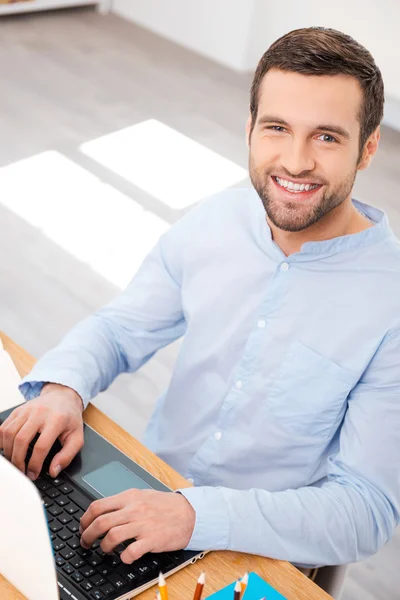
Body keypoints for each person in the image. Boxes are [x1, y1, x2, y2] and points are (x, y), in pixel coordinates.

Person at [1, 26, 399, 572]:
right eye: (277, 128)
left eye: (327, 137)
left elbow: (366, 510)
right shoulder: (216, 221)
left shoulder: (390, 302)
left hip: (262, 549)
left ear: (368, 147)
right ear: (250, 128)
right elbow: (121, 328)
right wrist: (63, 388)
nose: (296, 161)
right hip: (144, 491)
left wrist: (192, 515)